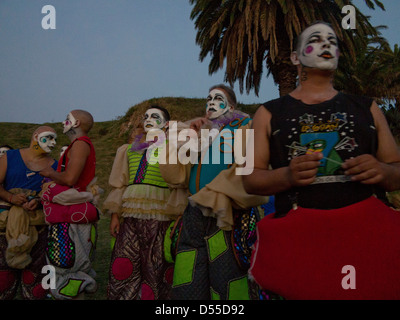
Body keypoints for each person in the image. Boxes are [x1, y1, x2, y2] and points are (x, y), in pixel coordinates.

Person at [244, 21, 400, 300]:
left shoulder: (368, 108)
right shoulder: (267, 113)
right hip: (300, 247)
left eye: (333, 42)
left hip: (368, 244)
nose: (328, 44)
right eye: (316, 39)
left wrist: (382, 170)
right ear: (295, 57)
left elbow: (397, 170)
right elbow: (249, 179)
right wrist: (287, 176)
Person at [159, 84, 269, 300]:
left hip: (226, 213)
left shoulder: (245, 126)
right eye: (207, 98)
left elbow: (253, 167)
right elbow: (175, 176)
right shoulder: (201, 132)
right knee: (188, 275)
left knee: (227, 278)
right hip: (193, 214)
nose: (210, 102)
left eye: (218, 98)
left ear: (233, 105)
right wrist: (186, 134)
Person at [104, 105, 180, 300]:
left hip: (160, 212)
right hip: (130, 214)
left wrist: (179, 216)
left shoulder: (173, 148)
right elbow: (119, 182)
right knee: (124, 263)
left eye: (155, 116)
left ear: (166, 124)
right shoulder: (128, 150)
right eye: (146, 116)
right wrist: (115, 215)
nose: (149, 119)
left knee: (156, 264)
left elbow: (179, 185)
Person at [39, 109, 98, 300]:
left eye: (67, 119)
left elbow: (70, 178)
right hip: (69, 213)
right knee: (64, 261)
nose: (64, 122)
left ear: (77, 123)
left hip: (73, 214)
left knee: (67, 262)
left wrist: (49, 173)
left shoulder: (80, 144)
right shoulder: (77, 145)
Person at [0, 126, 57, 299]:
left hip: (38, 227)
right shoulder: (9, 157)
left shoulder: (54, 165)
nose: (53, 143)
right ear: (36, 137)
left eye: (55, 139)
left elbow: (54, 191)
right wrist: (11, 197)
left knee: (37, 280)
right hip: (7, 226)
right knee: (3, 277)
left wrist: (39, 201)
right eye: (49, 138)